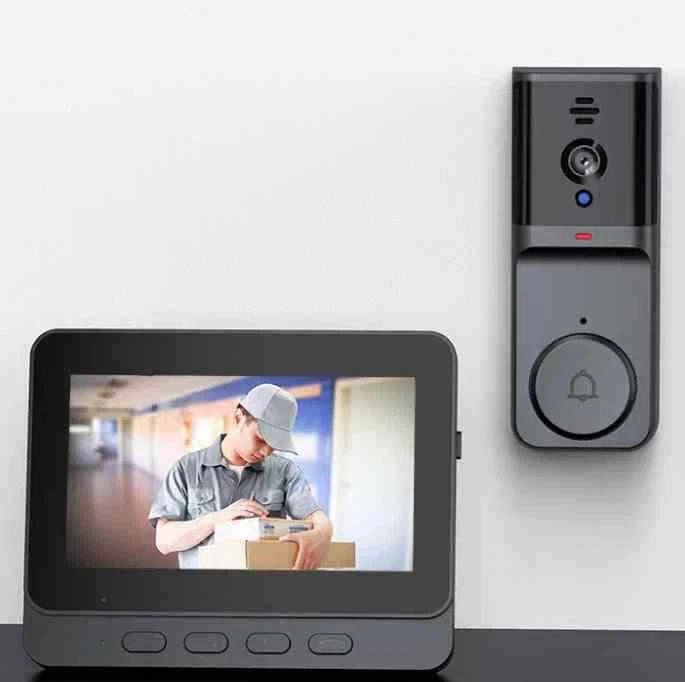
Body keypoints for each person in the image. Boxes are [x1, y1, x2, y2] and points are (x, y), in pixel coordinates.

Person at [147, 383, 333, 570]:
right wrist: (215, 520)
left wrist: (322, 534)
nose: (266, 451)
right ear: (238, 418)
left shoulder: (285, 471)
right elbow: (164, 541)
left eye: (275, 445)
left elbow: (317, 518)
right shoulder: (186, 468)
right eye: (261, 439)